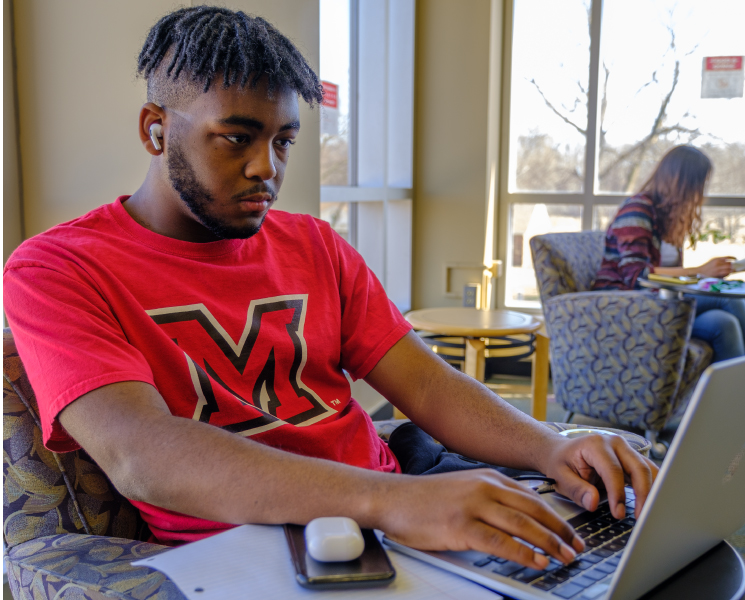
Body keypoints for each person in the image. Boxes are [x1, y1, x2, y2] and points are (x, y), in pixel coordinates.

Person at [3, 6, 657, 571]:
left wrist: (552, 445)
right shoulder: (57, 269)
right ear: (155, 129)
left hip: (397, 498)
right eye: (236, 138)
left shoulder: (313, 244)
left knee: (618, 545)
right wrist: (394, 504)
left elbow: (426, 385)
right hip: (258, 547)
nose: (268, 168)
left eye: (283, 140)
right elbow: (142, 454)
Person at [592, 145, 745, 362]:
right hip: (629, 305)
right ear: (681, 182)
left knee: (725, 323)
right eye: (698, 184)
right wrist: (701, 271)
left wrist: (705, 276)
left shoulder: (669, 217)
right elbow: (636, 277)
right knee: (730, 301)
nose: (700, 193)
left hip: (664, 301)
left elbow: (672, 279)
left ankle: (740, 395)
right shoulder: (636, 210)